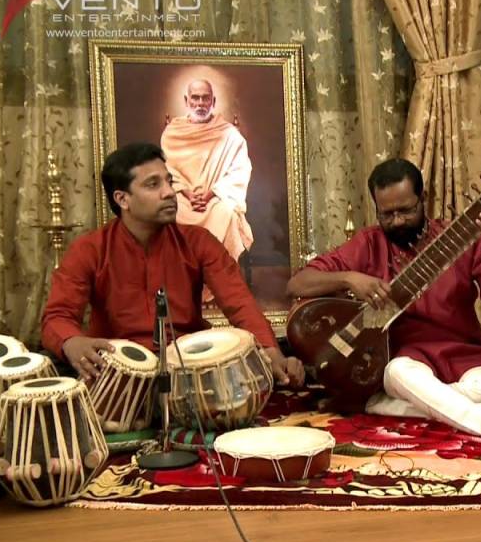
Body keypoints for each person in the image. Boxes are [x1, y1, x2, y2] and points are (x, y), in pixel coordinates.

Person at [286, 158, 481, 450]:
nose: (397, 221)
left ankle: (382, 405)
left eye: (406, 211)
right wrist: (350, 278)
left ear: (423, 200)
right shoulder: (368, 244)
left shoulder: (456, 238)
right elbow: (298, 283)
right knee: (398, 372)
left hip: (465, 353)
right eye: (387, 214)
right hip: (409, 362)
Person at [42, 142, 303, 388]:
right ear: (122, 199)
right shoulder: (89, 249)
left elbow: (239, 303)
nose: (169, 192)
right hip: (119, 372)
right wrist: (71, 342)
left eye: (168, 181)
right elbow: (58, 316)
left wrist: (271, 351)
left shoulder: (198, 242)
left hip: (190, 371)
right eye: (152, 184)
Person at [160, 79, 253, 263]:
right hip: (182, 197)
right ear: (187, 101)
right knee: (168, 213)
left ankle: (217, 279)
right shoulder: (172, 132)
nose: (201, 103)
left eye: (205, 98)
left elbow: (239, 171)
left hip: (216, 199)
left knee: (226, 213)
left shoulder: (229, 134)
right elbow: (165, 169)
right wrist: (187, 193)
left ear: (213, 101)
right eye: (196, 98)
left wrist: (211, 194)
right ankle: (180, 279)